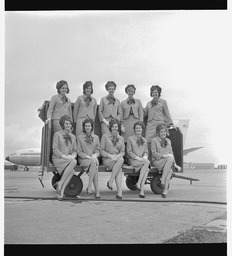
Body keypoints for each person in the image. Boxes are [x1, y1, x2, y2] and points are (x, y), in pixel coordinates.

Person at [150, 123, 181, 198]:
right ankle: (162, 179)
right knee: (170, 158)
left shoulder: (168, 141)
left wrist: (175, 165)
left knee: (169, 171)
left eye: (164, 131)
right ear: (158, 133)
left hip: (167, 161)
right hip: (157, 161)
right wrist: (164, 156)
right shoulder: (154, 140)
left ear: (166, 132)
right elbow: (154, 153)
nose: (163, 133)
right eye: (161, 132)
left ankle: (165, 191)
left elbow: (171, 153)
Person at [52, 115, 77, 200]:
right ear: (63, 124)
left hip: (68, 159)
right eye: (66, 124)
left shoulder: (73, 137)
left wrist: (73, 156)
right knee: (74, 162)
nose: (68, 125)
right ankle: (60, 184)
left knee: (72, 170)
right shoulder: (57, 134)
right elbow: (55, 149)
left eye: (69, 124)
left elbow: (75, 150)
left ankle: (61, 192)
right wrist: (66, 157)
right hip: (58, 158)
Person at [100, 119, 125, 199]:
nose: (114, 128)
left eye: (116, 127)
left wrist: (119, 155)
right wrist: (110, 156)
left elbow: (123, 151)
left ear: (118, 128)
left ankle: (118, 191)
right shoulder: (105, 136)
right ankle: (113, 184)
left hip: (117, 158)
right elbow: (101, 150)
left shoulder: (121, 138)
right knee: (120, 164)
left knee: (120, 164)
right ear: (110, 127)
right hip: (108, 159)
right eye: (113, 126)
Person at [76, 118, 100, 199]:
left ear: (92, 127)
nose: (87, 127)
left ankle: (90, 188)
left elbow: (98, 150)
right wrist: (87, 157)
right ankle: (96, 191)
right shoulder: (79, 137)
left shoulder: (96, 137)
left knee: (94, 163)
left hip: (93, 159)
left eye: (89, 126)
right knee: (95, 166)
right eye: (86, 126)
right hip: (83, 159)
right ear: (83, 127)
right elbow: (79, 152)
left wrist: (94, 156)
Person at [127, 121, 150, 198]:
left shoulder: (144, 140)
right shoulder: (130, 139)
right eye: (136, 128)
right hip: (133, 160)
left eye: (139, 128)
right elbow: (129, 152)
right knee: (147, 165)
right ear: (134, 129)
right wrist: (138, 158)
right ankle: (139, 184)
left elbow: (146, 151)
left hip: (142, 161)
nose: (138, 129)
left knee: (146, 168)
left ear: (142, 129)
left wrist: (144, 157)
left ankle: (141, 189)